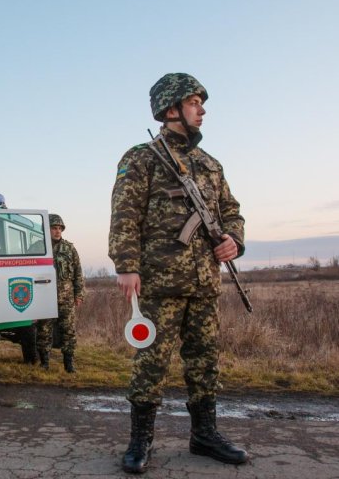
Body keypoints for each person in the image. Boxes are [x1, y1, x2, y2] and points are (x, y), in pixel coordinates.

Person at [108, 73, 248, 473]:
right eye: (193, 104)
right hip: (159, 282)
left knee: (204, 361)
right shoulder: (142, 158)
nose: (202, 111)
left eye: (201, 104)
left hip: (204, 282)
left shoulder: (210, 165)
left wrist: (234, 240)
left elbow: (232, 211)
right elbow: (125, 215)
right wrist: (127, 265)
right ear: (171, 109)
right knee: (150, 363)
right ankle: (140, 441)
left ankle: (204, 434)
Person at [36, 214, 85, 373]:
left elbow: (78, 272)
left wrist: (79, 295)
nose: (57, 231)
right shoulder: (38, 247)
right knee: (44, 330)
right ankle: (44, 363)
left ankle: (69, 364)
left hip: (66, 298)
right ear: (47, 229)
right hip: (44, 297)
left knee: (68, 330)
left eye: (59, 228)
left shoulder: (69, 248)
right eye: (54, 228)